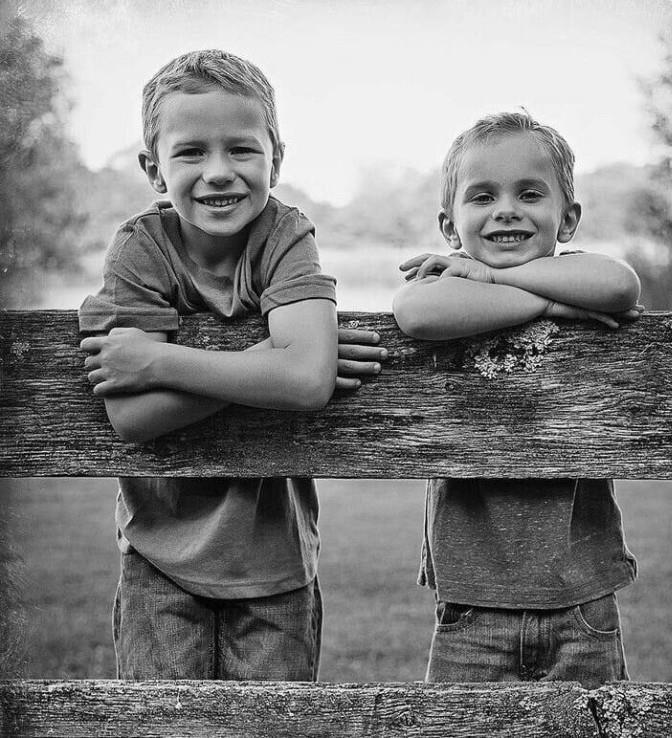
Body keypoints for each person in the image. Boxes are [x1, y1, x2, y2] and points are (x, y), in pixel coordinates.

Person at [78, 49, 384, 680]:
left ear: (276, 158)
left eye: (242, 149)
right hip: (158, 556)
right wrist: (271, 359)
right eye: (191, 152)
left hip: (276, 560)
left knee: (273, 723)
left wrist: (159, 359)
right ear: (154, 170)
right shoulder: (141, 248)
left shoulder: (284, 234)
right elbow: (133, 418)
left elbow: (305, 382)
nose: (219, 173)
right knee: (163, 723)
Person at [393, 111, 643, 688]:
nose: (506, 209)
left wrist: (497, 279)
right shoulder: (447, 284)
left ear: (568, 218)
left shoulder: (576, 272)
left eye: (530, 194)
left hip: (582, 596)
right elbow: (415, 312)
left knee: (587, 726)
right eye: (483, 196)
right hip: (471, 604)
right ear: (450, 225)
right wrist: (550, 306)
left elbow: (619, 286)